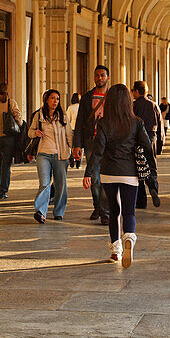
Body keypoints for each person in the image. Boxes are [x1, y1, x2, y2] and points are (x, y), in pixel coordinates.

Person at [84, 83, 156, 266]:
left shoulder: (103, 123)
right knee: (129, 211)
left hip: (108, 173)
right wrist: (151, 171)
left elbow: (98, 151)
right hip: (130, 173)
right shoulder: (136, 122)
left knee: (114, 210)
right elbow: (148, 147)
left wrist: (89, 172)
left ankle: (116, 251)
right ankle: (129, 238)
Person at [72, 65, 111, 225]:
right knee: (94, 177)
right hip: (91, 141)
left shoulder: (112, 96)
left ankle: (104, 211)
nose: (99, 78)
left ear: (108, 77)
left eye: (102, 75)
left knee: (106, 177)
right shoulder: (88, 97)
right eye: (97, 75)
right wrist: (77, 145)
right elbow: (80, 120)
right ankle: (99, 206)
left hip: (109, 142)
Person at [28, 89, 71, 223]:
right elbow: (29, 132)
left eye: (57, 99)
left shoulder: (63, 116)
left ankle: (59, 211)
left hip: (60, 155)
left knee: (60, 184)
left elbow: (69, 134)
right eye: (52, 98)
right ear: (46, 100)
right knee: (44, 183)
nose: (55, 101)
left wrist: (75, 149)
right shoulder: (39, 115)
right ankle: (41, 212)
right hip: (43, 154)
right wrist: (35, 133)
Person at [130, 81, 162, 208]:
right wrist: (160, 144)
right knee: (151, 166)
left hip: (137, 141)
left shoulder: (133, 106)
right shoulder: (153, 105)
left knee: (138, 168)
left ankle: (141, 201)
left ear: (137, 92)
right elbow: (160, 126)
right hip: (151, 139)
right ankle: (153, 187)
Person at [66, 93, 81, 168]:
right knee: (80, 145)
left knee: (72, 144)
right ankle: (78, 161)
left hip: (72, 128)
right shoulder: (81, 107)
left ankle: (72, 157)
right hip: (80, 129)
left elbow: (67, 120)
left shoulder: (70, 108)